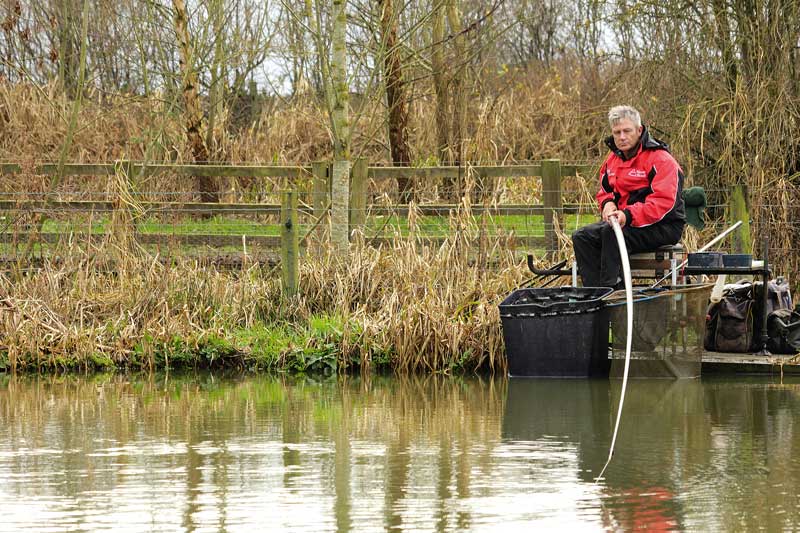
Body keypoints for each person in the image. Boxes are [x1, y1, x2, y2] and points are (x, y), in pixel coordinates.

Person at [571, 105, 686, 288]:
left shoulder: (661, 160)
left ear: (639, 130)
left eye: (627, 131)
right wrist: (608, 204)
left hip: (663, 225)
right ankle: (594, 292)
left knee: (612, 233)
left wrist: (627, 215)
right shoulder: (612, 160)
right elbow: (605, 190)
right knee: (582, 236)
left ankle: (615, 291)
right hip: (624, 222)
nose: (622, 137)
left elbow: (663, 203)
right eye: (617, 132)